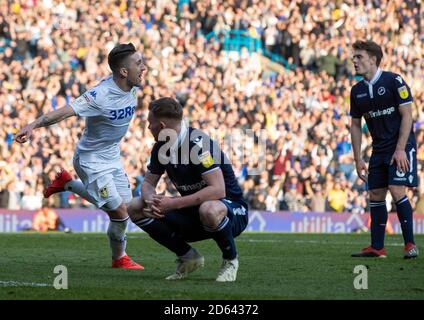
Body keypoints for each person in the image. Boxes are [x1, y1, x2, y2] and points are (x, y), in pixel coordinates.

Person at [15, 43, 147, 269]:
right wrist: (33, 125)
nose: (144, 67)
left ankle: (68, 184)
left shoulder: (132, 84)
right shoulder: (100, 95)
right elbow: (65, 111)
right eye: (139, 64)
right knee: (119, 212)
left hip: (112, 157)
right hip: (91, 160)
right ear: (123, 72)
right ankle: (119, 259)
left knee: (127, 208)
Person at [127, 97, 249, 282]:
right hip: (194, 212)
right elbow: (148, 183)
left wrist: (173, 204)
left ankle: (230, 260)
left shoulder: (199, 145)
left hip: (231, 211)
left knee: (209, 208)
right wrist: (151, 199)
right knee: (136, 207)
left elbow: (218, 191)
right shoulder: (161, 148)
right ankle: (188, 256)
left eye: (149, 123)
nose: (148, 128)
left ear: (161, 125)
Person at [349, 40, 419, 259]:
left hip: (401, 144)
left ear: (373, 59)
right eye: (354, 57)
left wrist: (400, 149)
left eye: (359, 57)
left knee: (397, 190)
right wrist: (358, 158)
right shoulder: (357, 90)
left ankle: (410, 245)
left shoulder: (393, 80)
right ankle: (377, 247)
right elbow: (355, 124)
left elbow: (408, 115)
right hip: (378, 148)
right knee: (376, 193)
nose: (354, 61)